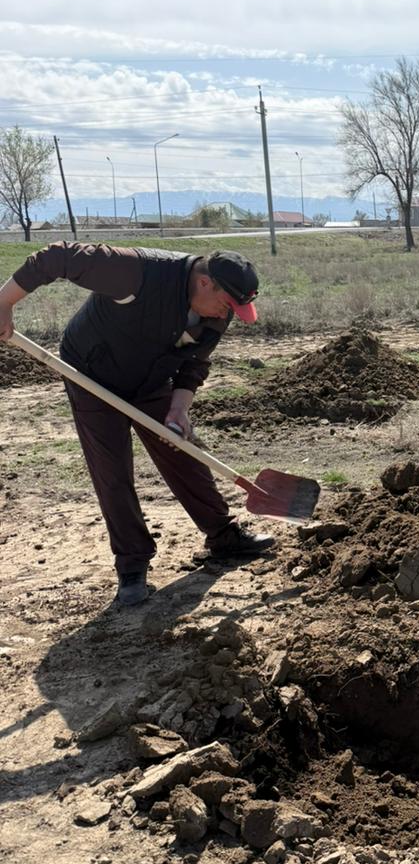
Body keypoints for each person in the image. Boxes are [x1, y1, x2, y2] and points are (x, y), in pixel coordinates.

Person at [0, 242, 274, 606]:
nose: (231, 314)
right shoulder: (138, 272)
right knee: (111, 469)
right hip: (93, 372)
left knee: (183, 450)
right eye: (229, 303)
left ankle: (223, 536)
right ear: (205, 282)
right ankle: (132, 565)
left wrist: (179, 409)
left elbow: (195, 363)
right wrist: (4, 303)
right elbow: (56, 257)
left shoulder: (218, 312)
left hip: (150, 376)